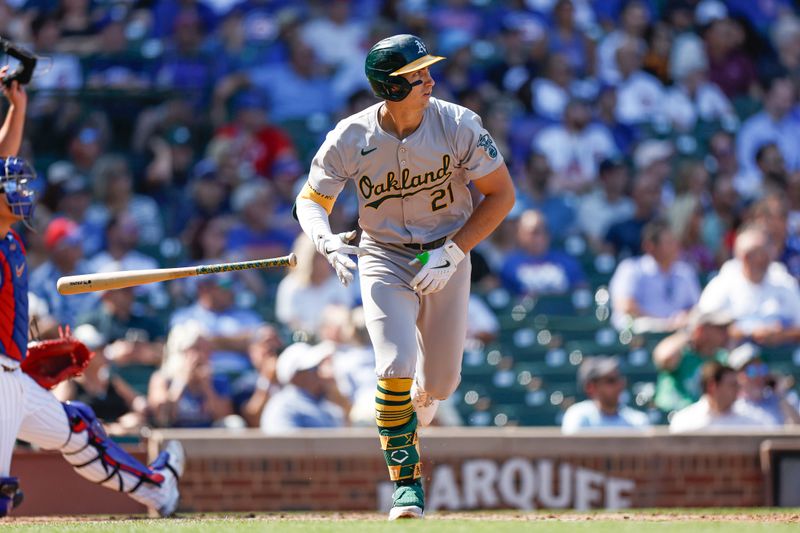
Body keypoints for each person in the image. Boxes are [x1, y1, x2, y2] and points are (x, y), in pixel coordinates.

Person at [293, 34, 515, 519]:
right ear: (390, 88)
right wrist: (325, 238)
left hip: (447, 255)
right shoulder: (351, 136)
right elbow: (311, 201)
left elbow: (502, 195)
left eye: (428, 71)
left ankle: (424, 395)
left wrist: (454, 252)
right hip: (384, 254)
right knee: (392, 365)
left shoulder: (458, 123)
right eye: (417, 75)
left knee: (441, 383)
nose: (429, 79)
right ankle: (407, 487)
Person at [0, 71, 183, 516]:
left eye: (19, 184)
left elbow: (5, 156)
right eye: (10, 187)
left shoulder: (8, 233)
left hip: (11, 375)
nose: (18, 191)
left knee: (77, 429)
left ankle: (157, 490)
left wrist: (17, 108)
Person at [609, 218, 700, 332]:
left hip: (678, 333)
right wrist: (664, 324)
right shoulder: (630, 268)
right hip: (641, 336)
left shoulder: (685, 271)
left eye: (674, 241)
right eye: (669, 242)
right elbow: (625, 306)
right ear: (649, 246)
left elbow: (696, 307)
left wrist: (684, 317)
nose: (675, 247)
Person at [653, 308, 732, 414]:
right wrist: (689, 334)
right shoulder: (682, 353)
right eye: (719, 328)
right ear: (701, 330)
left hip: (703, 417)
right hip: (670, 413)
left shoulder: (721, 358)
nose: (725, 333)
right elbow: (664, 358)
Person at [259, 342, 350, 434]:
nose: (322, 372)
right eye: (314, 368)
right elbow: (283, 446)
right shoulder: (282, 406)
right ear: (296, 378)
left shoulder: (329, 404)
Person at [669, 361, 778, 433]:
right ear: (712, 386)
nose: (737, 389)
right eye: (732, 385)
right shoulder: (684, 421)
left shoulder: (754, 421)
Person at [561, 356, 651, 435]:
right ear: (591, 387)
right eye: (611, 380)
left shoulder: (637, 420)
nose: (619, 385)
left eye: (619, 379)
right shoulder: (578, 415)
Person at [728, 343, 800, 425]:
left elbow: (797, 428)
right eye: (752, 371)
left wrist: (780, 396)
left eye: (762, 369)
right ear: (738, 375)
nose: (759, 376)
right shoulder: (730, 405)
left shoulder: (783, 399)